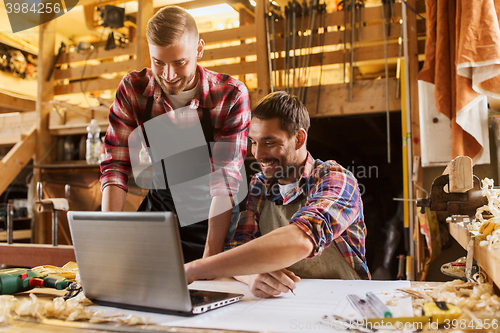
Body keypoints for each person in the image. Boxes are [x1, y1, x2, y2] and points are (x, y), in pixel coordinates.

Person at [100, 6, 251, 262]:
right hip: (162, 209)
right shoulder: (133, 90)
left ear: (199, 50)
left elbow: (225, 180)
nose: (168, 75)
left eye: (180, 63)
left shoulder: (230, 95)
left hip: (215, 217)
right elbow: (116, 165)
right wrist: (108, 239)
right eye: (158, 62)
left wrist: (210, 260)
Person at [185, 91, 370, 298]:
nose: (258, 154)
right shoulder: (260, 185)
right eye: (253, 142)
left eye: (269, 143)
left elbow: (303, 237)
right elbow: (239, 247)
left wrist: (196, 269)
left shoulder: (336, 179)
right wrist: (251, 274)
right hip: (283, 302)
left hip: (344, 302)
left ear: (299, 139)